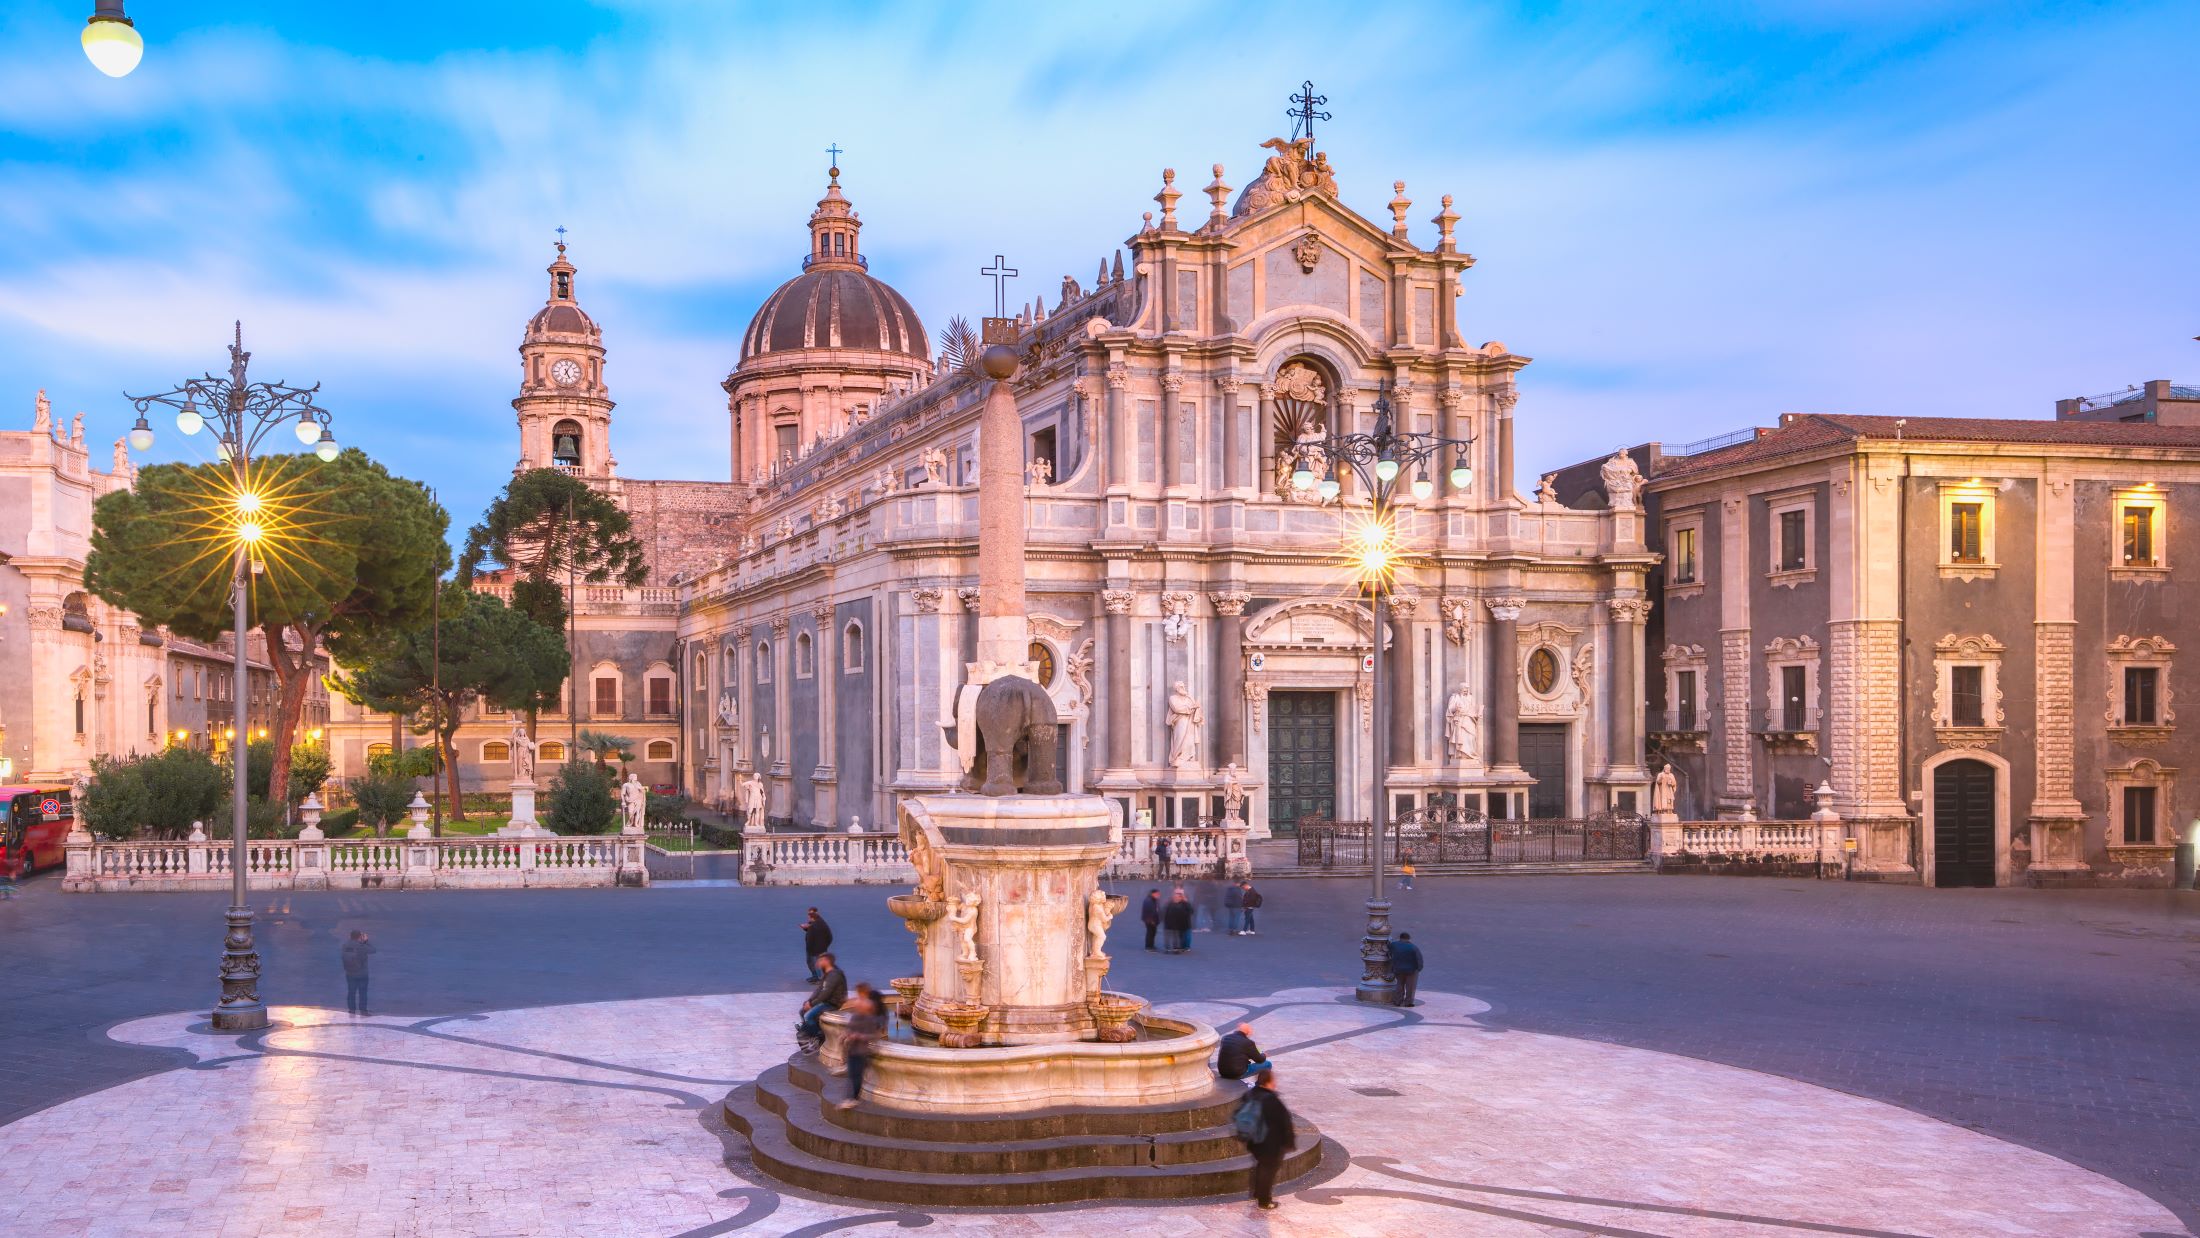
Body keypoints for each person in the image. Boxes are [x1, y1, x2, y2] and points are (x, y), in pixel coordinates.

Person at [1239, 1067, 1297, 1210]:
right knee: (1268, 1170)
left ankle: (1259, 1193)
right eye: (1273, 1081)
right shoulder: (1271, 1100)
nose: (1275, 1084)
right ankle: (1265, 1201)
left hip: (1255, 1140)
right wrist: (1289, 1141)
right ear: (1269, 1082)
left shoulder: (1251, 1094)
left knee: (1262, 1166)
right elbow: (1284, 1121)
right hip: (1269, 1142)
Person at [839, 982, 885, 1109]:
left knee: (856, 1075)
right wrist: (846, 1034)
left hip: (861, 1051)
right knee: (852, 1075)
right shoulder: (855, 1017)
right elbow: (849, 1028)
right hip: (852, 1049)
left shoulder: (870, 1020)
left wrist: (859, 1036)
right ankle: (851, 1098)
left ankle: (853, 1098)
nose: (857, 1003)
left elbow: (874, 1036)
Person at [797, 952, 847, 1051]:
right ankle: (810, 1029)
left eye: (820, 960)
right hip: (826, 1001)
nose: (818, 963)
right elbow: (819, 990)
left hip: (832, 1003)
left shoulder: (834, 975)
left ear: (827, 961)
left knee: (808, 1016)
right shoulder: (828, 972)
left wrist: (812, 1004)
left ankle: (819, 1035)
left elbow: (825, 993)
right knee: (802, 1011)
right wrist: (809, 1001)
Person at [341, 930, 377, 1017]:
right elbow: (373, 950)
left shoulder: (345, 945)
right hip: (362, 973)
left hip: (350, 973)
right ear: (359, 937)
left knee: (351, 992)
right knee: (362, 992)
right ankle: (363, 1011)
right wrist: (366, 942)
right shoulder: (361, 946)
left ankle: (352, 1010)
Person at [1388, 931, 1425, 1007]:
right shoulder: (1413, 947)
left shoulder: (1394, 945)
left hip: (1398, 969)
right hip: (1411, 970)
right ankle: (1408, 1002)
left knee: (1399, 985)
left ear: (1400, 938)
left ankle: (1398, 1001)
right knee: (1410, 987)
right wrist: (1419, 968)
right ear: (1408, 939)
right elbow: (1419, 959)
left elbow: (1389, 951)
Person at [801, 908, 833, 982]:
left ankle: (820, 979)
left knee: (818, 964)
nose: (808, 917)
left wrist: (824, 946)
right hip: (811, 948)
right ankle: (815, 976)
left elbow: (829, 937)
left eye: (810, 915)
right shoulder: (813, 923)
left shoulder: (818, 924)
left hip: (817, 949)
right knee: (810, 963)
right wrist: (805, 928)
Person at [1163, 887, 1194, 953]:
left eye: (1179, 895)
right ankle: (1175, 948)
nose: (1177, 897)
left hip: (1183, 923)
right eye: (1176, 895)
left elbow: (1191, 911)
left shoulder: (1184, 903)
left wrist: (1186, 902)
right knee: (1177, 936)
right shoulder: (1171, 903)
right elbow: (1166, 913)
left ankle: (1183, 947)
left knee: (1184, 935)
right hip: (1176, 924)